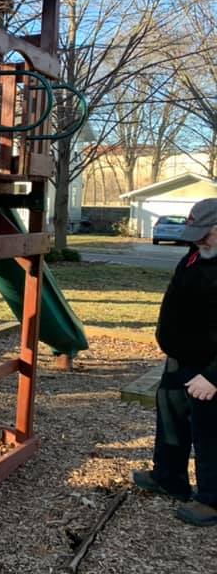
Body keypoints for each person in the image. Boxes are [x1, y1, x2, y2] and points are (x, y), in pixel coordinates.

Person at [133, 197, 217, 527]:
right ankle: (169, 478)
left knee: (210, 434)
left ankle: (211, 500)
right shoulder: (196, 255)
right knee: (171, 419)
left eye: (203, 233)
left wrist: (213, 376)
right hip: (180, 359)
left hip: (208, 369)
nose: (195, 238)